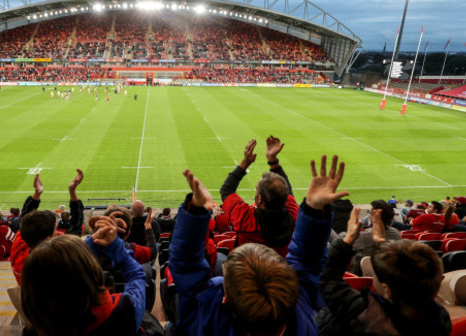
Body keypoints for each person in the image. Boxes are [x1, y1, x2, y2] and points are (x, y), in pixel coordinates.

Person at [170, 154, 349, 336]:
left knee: (216, 259)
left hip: (247, 270)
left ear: (225, 299)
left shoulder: (244, 217)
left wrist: (195, 212)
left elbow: (186, 267)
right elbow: (307, 262)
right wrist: (313, 210)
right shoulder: (302, 311)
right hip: (277, 266)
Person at [317, 209, 451, 335]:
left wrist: (347, 241)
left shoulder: (360, 312)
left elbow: (329, 280)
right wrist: (380, 245)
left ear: (387, 290)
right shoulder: (440, 319)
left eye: (377, 273)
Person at [21, 215, 146, 336]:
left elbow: (64, 263)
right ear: (89, 273)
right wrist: (116, 245)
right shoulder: (124, 311)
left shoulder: (35, 329)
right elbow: (136, 275)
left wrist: (94, 240)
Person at [219, 136, 298, 257]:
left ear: (260, 200)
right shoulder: (293, 215)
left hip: (249, 271)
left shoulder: (245, 218)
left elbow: (226, 190)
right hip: (278, 270)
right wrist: (273, 160)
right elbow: (287, 190)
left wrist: (245, 163)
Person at [348, 200, 401, 275]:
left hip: (363, 279)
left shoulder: (361, 237)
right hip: (390, 275)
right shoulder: (396, 233)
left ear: (374, 216)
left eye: (370, 213)